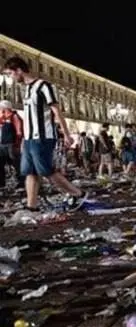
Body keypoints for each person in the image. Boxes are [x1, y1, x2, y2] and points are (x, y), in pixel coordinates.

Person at [2, 56, 88, 211]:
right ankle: (31, 207)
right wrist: (23, 139)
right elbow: (29, 117)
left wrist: (67, 134)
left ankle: (78, 193)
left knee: (46, 171)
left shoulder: (43, 86)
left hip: (43, 136)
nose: (11, 78)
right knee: (30, 172)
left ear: (19, 70)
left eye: (10, 74)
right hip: (29, 138)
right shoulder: (27, 90)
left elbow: (56, 110)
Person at [0, 100, 24, 190]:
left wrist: (17, 143)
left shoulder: (14, 117)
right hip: (2, 144)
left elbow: (19, 131)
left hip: (12, 144)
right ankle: (1, 183)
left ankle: (22, 182)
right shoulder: (2, 118)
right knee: (1, 163)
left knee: (16, 163)